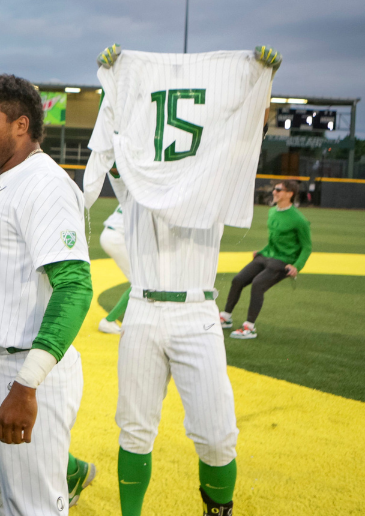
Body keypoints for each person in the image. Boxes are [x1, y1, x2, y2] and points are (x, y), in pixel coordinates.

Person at [87, 44, 282, 516]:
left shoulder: (213, 179)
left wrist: (261, 82)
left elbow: (240, 133)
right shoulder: (134, 181)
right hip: (144, 308)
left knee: (218, 437)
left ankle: (219, 510)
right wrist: (113, 83)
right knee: (134, 428)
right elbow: (114, 141)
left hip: (197, 312)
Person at [0, 74, 95, 515]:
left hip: (24, 372)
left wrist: (26, 384)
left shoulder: (43, 184)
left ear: (20, 125)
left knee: (33, 509)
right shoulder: (0, 185)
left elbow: (74, 286)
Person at [222, 179, 311, 339]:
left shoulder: (299, 220)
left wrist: (297, 266)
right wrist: (262, 251)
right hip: (267, 256)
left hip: (283, 261)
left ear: (290, 194)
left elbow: (307, 247)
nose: (274, 192)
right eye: (274, 189)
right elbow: (274, 240)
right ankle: (225, 317)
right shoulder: (272, 212)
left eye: (278, 189)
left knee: (258, 284)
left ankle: (249, 327)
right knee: (238, 280)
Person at [98, 199, 132, 335]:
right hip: (118, 237)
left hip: (112, 233)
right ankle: (108, 321)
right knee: (142, 282)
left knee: (144, 281)